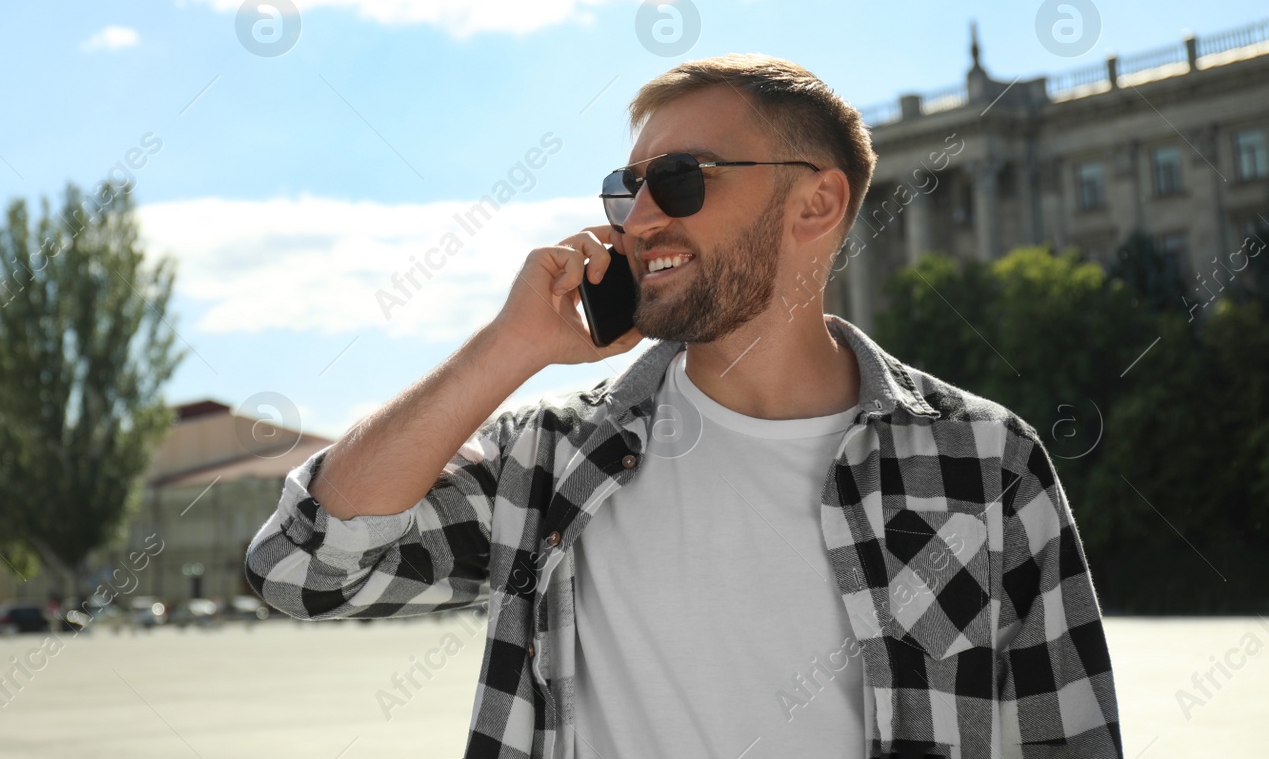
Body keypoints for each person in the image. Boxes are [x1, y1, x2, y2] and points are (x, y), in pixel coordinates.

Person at [245, 55, 1121, 759]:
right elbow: (301, 568)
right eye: (625, 190)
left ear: (816, 202)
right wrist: (508, 347)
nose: (640, 219)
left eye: (681, 178)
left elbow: (1069, 735)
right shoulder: (552, 458)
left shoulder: (985, 460)